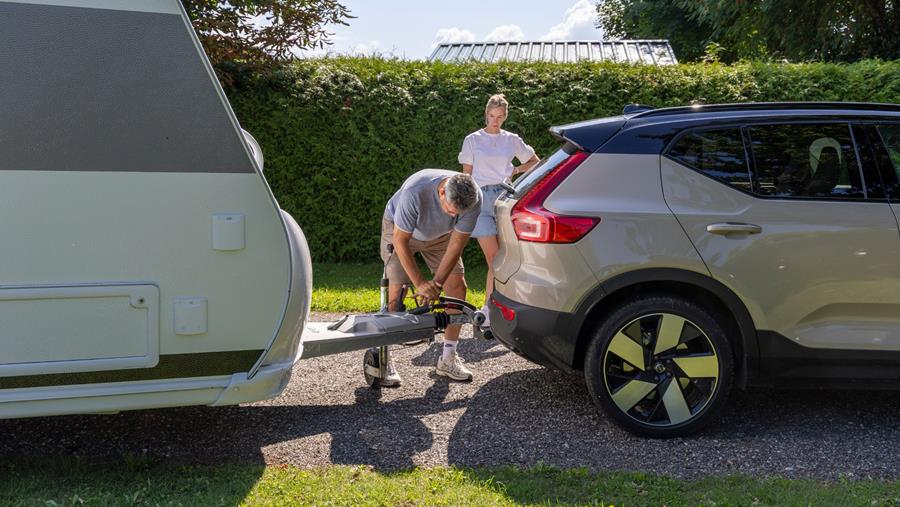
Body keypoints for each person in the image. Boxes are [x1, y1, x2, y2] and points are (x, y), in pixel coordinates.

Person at [380, 170, 482, 386]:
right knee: (397, 292)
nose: (452, 216)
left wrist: (435, 284)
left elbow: (456, 244)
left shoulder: (473, 198)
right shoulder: (415, 192)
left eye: (457, 214)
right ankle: (384, 359)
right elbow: (400, 241)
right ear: (442, 191)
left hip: (442, 238)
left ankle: (447, 358)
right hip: (401, 231)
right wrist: (419, 284)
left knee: (457, 287)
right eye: (449, 210)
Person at [458, 94, 540, 326]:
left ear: (505, 117)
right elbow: (466, 174)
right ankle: (488, 308)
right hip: (481, 199)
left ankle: (504, 308)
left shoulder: (511, 139)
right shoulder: (472, 140)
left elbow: (535, 162)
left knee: (511, 257)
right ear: (486, 115)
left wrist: (513, 171)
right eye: (492, 116)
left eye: (500, 117)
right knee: (494, 258)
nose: (495, 121)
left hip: (505, 197)